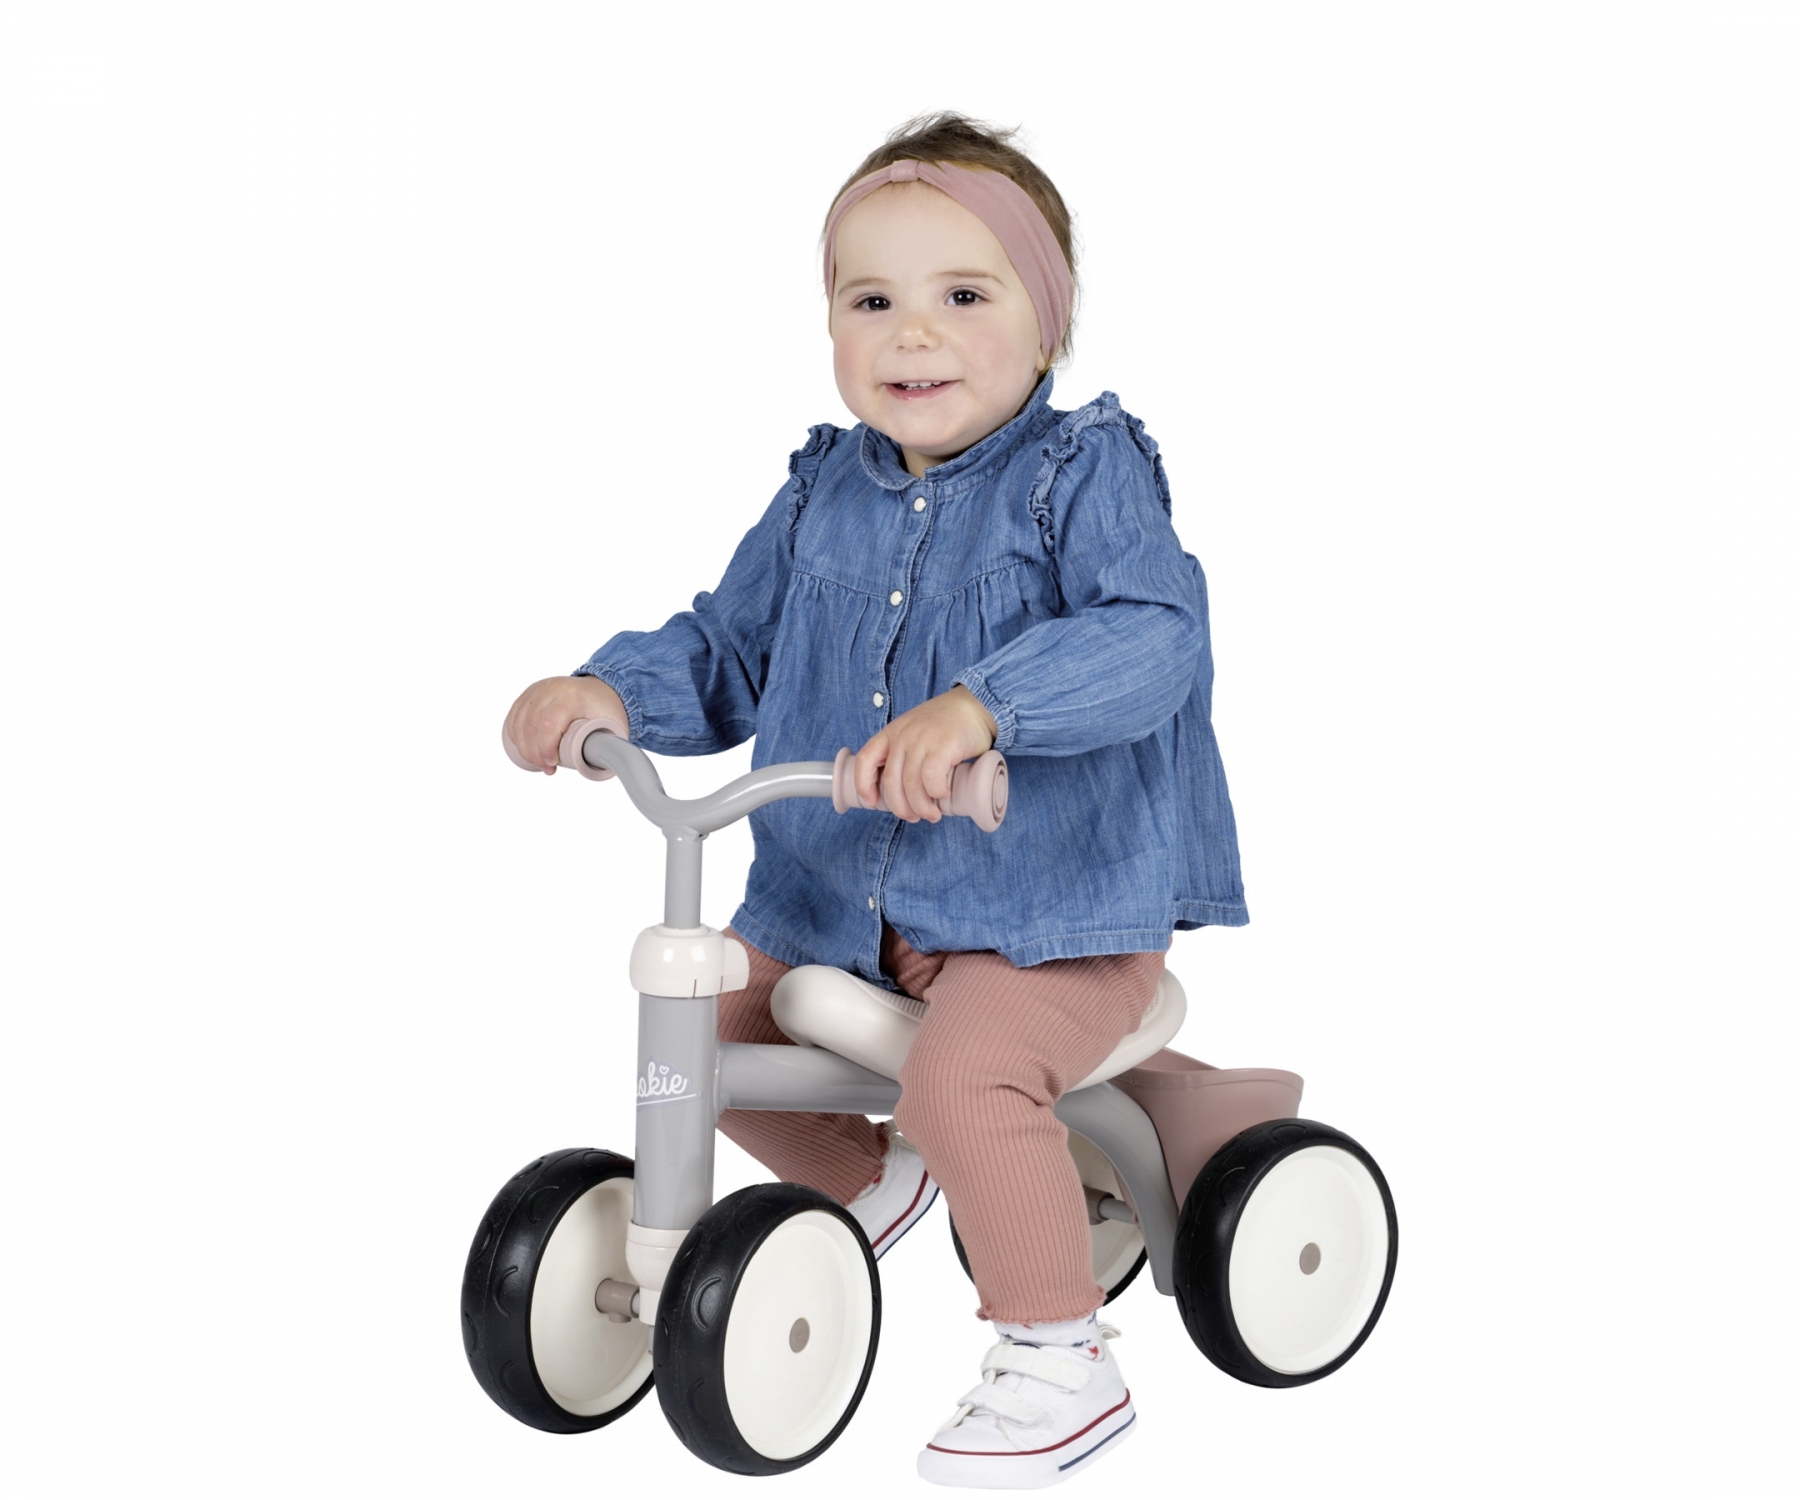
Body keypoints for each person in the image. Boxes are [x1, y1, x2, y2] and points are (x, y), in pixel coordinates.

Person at [504, 113, 1246, 1488]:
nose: (914, 333)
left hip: (1045, 913)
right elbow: (731, 648)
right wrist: (609, 691)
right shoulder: (819, 497)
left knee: (966, 1081)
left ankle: (1059, 1355)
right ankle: (869, 1183)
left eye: (964, 296)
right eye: (871, 301)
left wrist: (984, 709)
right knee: (700, 1029)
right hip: (836, 905)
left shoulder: (1082, 474)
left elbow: (1152, 636)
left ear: (1048, 322)